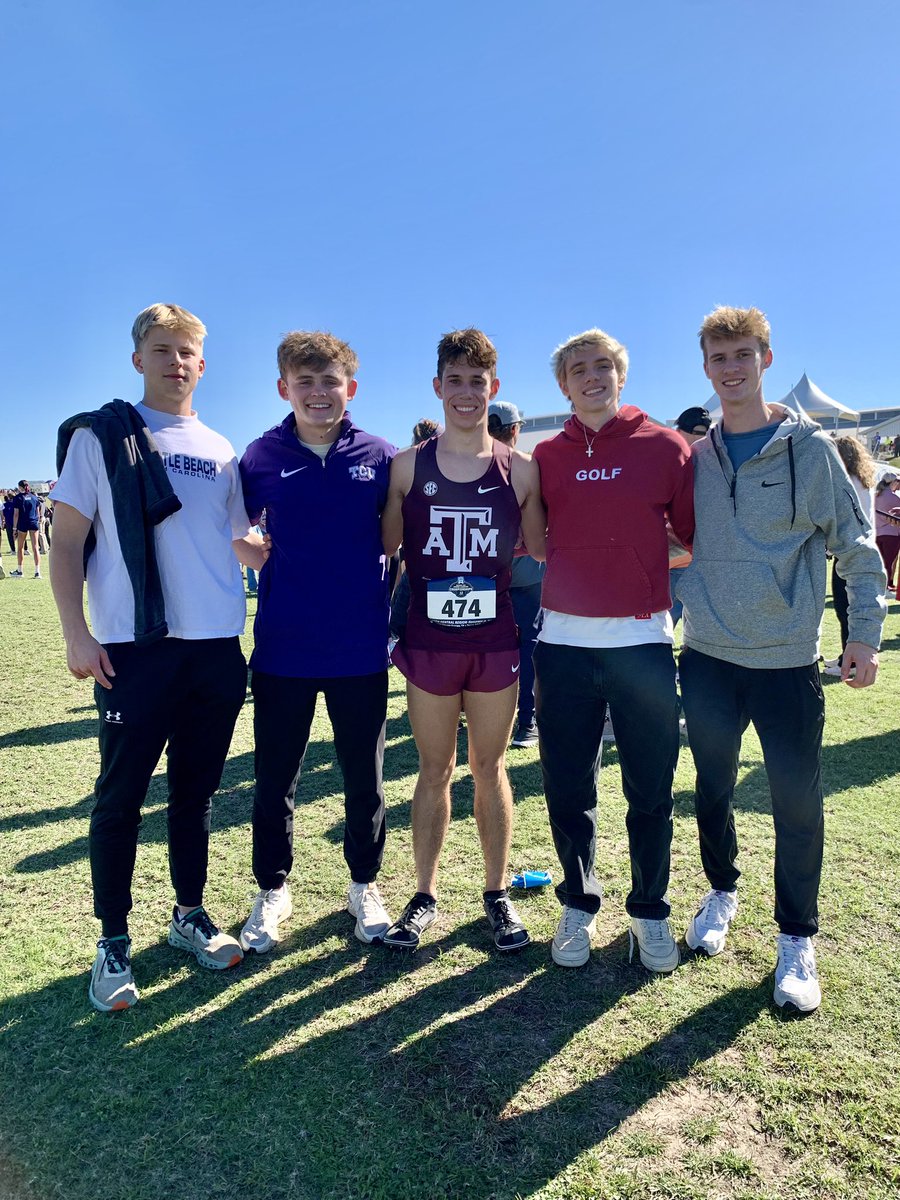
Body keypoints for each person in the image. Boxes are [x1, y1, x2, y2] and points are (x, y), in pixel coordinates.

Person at [50, 303, 266, 1013]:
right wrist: (76, 634)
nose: (177, 362)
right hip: (133, 651)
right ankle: (112, 941)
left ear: (204, 365)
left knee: (196, 797)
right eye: (163, 349)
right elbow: (67, 541)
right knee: (119, 799)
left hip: (214, 652)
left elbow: (238, 543)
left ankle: (188, 915)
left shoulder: (223, 448)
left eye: (188, 352)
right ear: (139, 358)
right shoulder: (102, 437)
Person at [677, 305, 886, 1014]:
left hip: (788, 661)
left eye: (743, 355)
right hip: (705, 655)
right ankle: (722, 890)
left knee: (797, 803)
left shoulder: (811, 450)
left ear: (766, 358)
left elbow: (858, 552)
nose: (731, 369)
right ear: (705, 367)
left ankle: (797, 938)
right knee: (711, 789)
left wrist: (864, 635)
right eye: (718, 357)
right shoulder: (696, 457)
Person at [532, 328, 694, 974]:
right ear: (563, 385)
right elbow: (537, 542)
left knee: (650, 789)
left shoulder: (666, 447)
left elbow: (689, 539)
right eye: (578, 369)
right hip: (564, 646)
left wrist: (637, 569)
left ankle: (650, 912)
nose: (592, 376)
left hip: (642, 645)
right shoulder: (544, 455)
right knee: (569, 788)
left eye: (603, 366)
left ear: (621, 375)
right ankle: (578, 903)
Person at [381, 328, 546, 951]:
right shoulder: (406, 467)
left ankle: (497, 894)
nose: (467, 393)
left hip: (495, 645)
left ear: (493, 388)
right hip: (428, 645)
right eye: (456, 381)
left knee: (489, 765)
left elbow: (544, 550)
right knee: (433, 767)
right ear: (438, 387)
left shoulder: (521, 471)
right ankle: (423, 895)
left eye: (478, 382)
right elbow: (385, 547)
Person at [238, 332, 396, 953]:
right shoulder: (258, 456)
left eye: (329, 381)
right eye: (304, 382)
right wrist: (249, 549)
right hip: (283, 649)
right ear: (284, 389)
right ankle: (273, 889)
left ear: (349, 389)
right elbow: (230, 527)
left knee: (366, 777)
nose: (318, 393)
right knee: (276, 778)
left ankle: (364, 884)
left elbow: (398, 538)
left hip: (359, 648)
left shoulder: (381, 457)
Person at [486, 399, 545, 748]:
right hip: (527, 577)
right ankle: (527, 722)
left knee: (492, 649)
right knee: (528, 648)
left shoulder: (470, 467)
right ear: (515, 430)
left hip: (489, 579)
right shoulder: (528, 467)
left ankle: (496, 721)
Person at [823, 437, 879, 674]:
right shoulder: (863, 481)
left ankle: (852, 662)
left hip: (848, 552)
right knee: (847, 608)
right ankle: (846, 655)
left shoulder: (846, 481)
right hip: (859, 547)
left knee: (846, 609)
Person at [874, 472, 900, 594]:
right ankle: (884, 588)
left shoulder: (876, 495)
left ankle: (877, 586)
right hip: (892, 534)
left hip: (877, 533)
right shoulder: (895, 498)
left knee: (879, 562)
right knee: (888, 562)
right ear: (893, 482)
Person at [10, 481, 42, 578]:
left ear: (20, 487)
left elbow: (16, 514)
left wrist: (14, 528)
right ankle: (37, 572)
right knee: (35, 547)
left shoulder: (17, 498)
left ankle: (20, 571)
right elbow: (37, 512)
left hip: (22, 523)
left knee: (20, 547)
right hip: (33, 522)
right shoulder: (34, 497)